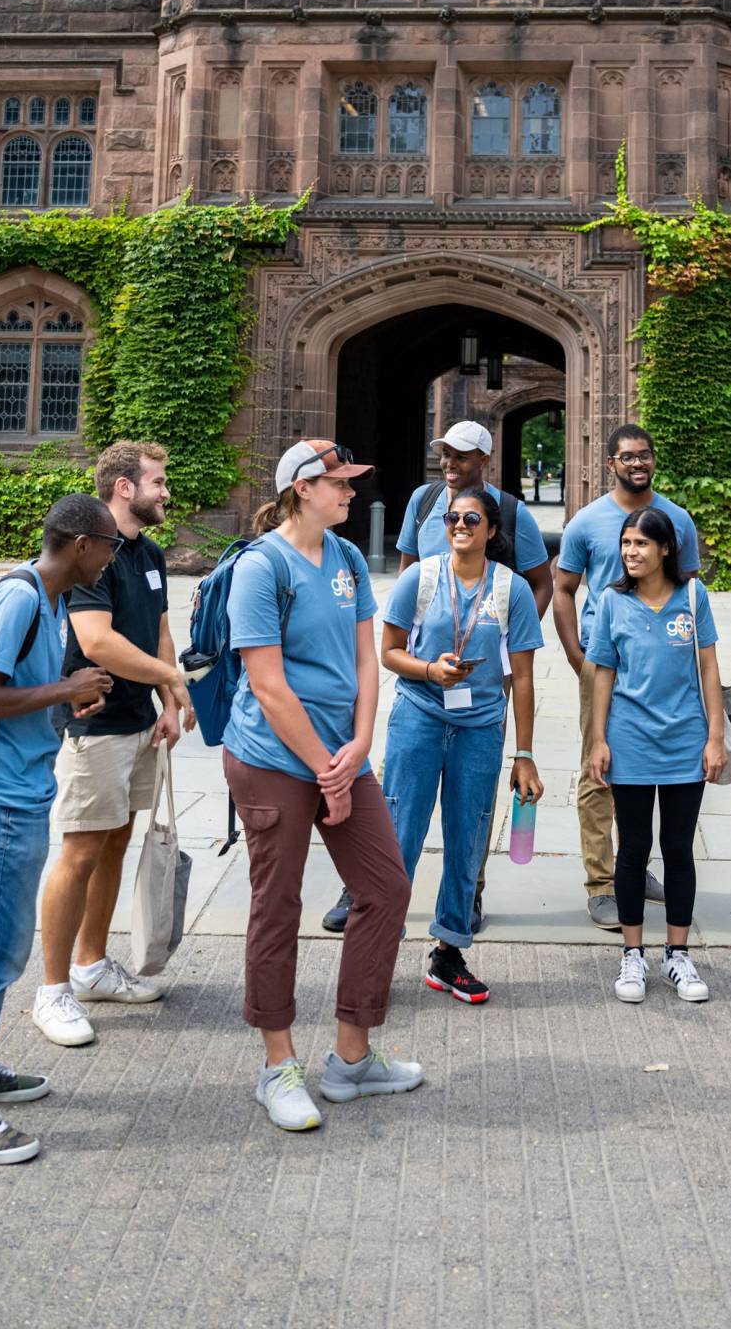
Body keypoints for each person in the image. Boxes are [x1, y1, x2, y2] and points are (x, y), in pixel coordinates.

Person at [223, 439, 422, 1132]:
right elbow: (268, 686)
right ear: (303, 489)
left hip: (340, 753)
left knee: (386, 887)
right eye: (339, 483)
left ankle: (350, 1058)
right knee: (277, 905)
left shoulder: (345, 559)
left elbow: (368, 662)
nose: (351, 492)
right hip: (273, 759)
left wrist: (360, 745)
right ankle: (277, 1066)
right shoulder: (261, 567)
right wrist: (324, 767)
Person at [0, 494, 118, 1165]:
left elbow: (22, 693)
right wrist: (66, 692)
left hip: (18, 790)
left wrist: (69, 691)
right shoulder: (20, 598)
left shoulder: (51, 600)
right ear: (78, 545)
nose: (111, 556)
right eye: (108, 545)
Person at [324, 417, 552, 935]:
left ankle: (465, 899)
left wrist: (508, 635)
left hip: (481, 691)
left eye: (461, 456)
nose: (450, 464)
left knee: (469, 818)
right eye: (444, 455)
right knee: (398, 806)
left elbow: (542, 582)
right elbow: (406, 586)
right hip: (424, 693)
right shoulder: (424, 503)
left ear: (485, 461)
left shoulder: (511, 514)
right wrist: (428, 662)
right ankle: (369, 895)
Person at [33, 441, 194, 1048]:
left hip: (137, 723)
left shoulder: (149, 554)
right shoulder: (89, 557)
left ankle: (92, 966)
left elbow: (158, 634)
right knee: (78, 851)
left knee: (115, 844)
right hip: (92, 726)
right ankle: (52, 992)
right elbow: (96, 642)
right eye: (158, 481)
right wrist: (173, 681)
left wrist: (169, 703)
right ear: (124, 487)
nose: (166, 492)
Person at [380, 488, 545, 1003]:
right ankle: (379, 945)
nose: (460, 525)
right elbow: (388, 652)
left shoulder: (511, 589)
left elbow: (522, 675)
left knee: (468, 835)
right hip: (420, 715)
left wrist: (524, 754)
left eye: (472, 519)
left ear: (492, 530)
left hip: (479, 726)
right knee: (399, 829)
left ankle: (448, 951)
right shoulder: (421, 578)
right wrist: (430, 670)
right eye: (453, 517)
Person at [553, 425, 702, 928]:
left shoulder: (677, 520)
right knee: (600, 770)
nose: (637, 464)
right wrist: (578, 656)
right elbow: (564, 589)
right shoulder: (587, 523)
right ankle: (602, 884)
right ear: (610, 461)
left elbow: (690, 596)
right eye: (627, 457)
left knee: (656, 770)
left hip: (663, 664)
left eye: (644, 455)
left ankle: (633, 870)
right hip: (604, 660)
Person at [586, 509, 727, 1004]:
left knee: (679, 848)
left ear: (666, 548)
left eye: (642, 543)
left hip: (686, 741)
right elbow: (602, 671)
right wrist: (598, 739)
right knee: (632, 848)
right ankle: (632, 955)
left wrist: (714, 737)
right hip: (630, 740)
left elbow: (709, 668)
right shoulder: (611, 600)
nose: (631, 552)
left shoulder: (693, 597)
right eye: (626, 543)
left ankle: (677, 953)